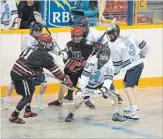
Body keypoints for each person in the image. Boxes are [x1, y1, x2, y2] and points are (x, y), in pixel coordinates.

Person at [9, 33, 73, 124]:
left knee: (31, 88)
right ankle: (14, 116)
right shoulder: (44, 55)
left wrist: (36, 70)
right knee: (26, 97)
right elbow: (55, 71)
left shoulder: (32, 47)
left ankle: (27, 111)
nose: (51, 45)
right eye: (49, 43)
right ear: (44, 43)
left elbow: (24, 59)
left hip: (17, 71)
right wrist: (65, 79)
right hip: (21, 75)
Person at [3, 21, 67, 110]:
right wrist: (48, 43)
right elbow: (39, 49)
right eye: (35, 31)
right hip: (25, 65)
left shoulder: (41, 39)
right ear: (31, 30)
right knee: (13, 83)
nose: (37, 33)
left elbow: (48, 48)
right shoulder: (27, 38)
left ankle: (39, 98)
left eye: (39, 31)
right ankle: (7, 99)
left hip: (36, 66)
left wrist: (59, 52)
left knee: (44, 84)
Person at [65, 45, 127, 122]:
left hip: (102, 81)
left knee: (114, 94)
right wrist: (82, 88)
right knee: (80, 100)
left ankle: (115, 114)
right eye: (102, 55)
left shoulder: (109, 62)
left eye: (106, 56)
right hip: (90, 83)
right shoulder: (92, 61)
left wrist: (105, 88)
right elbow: (85, 75)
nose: (104, 58)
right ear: (98, 54)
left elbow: (109, 77)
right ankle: (71, 113)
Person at [106, 23, 149, 120]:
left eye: (111, 34)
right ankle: (133, 106)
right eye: (109, 34)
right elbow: (144, 44)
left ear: (116, 33)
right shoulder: (130, 37)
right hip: (137, 64)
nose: (109, 36)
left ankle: (134, 112)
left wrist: (113, 73)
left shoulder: (114, 46)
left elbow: (117, 64)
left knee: (128, 88)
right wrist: (143, 53)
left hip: (133, 66)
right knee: (126, 83)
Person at [48, 26, 96, 107]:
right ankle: (59, 101)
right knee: (63, 85)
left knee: (86, 83)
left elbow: (93, 53)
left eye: (79, 36)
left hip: (83, 69)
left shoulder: (86, 43)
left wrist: (87, 61)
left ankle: (87, 99)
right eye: (75, 36)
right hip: (73, 69)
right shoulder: (69, 45)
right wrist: (65, 55)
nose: (77, 38)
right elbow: (66, 58)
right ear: (72, 36)